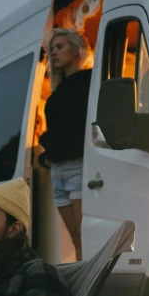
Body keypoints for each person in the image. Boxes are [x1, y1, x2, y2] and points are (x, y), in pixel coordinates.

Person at [39, 28, 92, 261]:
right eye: (52, 49)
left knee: (84, 235)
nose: (54, 53)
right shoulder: (57, 92)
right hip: (58, 169)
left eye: (60, 47)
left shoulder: (89, 82)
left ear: (76, 50)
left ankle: (86, 286)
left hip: (79, 165)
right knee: (76, 238)